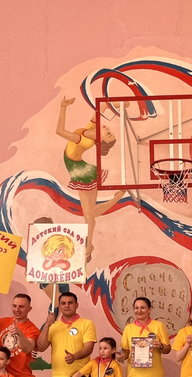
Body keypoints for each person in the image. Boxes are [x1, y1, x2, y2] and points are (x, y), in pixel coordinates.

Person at [56, 96, 126, 263]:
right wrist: (117, 105)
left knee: (89, 214)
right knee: (89, 215)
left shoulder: (84, 140)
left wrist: (63, 107)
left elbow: (59, 131)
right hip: (81, 167)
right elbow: (102, 108)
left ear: (100, 140)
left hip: (79, 170)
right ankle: (88, 247)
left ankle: (118, 197)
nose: (108, 128)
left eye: (108, 134)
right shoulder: (91, 131)